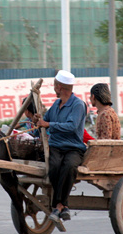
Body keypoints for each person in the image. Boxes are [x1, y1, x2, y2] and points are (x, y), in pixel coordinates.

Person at [33, 70, 86, 224]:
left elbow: (71, 126)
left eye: (55, 86)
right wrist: (39, 119)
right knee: (54, 166)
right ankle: (62, 205)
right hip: (55, 146)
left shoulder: (78, 105)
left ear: (60, 87)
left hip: (74, 147)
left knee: (69, 166)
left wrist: (47, 124)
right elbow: (45, 120)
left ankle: (59, 205)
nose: (54, 89)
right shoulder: (56, 104)